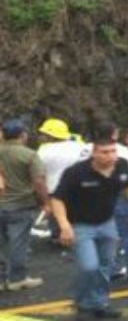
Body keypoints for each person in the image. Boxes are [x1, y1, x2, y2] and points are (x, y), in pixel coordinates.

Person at [51, 138, 128, 319]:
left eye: (113, 151)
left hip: (107, 223)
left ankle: (100, 303)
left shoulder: (121, 165)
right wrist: (64, 225)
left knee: (105, 266)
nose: (110, 156)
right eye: (104, 152)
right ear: (94, 153)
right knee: (89, 266)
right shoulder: (77, 172)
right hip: (80, 225)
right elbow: (57, 198)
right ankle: (84, 302)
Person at [84, 122, 128, 282]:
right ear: (114, 134)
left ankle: (108, 270)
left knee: (105, 234)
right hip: (120, 194)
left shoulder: (86, 150)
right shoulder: (119, 151)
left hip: (95, 196)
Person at [0, 119, 49, 291]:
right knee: (18, 243)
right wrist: (45, 202)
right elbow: (39, 181)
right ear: (23, 135)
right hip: (20, 205)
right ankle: (17, 278)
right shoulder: (29, 155)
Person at [37, 118, 86, 242]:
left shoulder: (44, 150)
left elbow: (38, 173)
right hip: (79, 188)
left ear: (50, 135)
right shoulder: (80, 146)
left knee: (57, 217)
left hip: (54, 189)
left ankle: (59, 238)